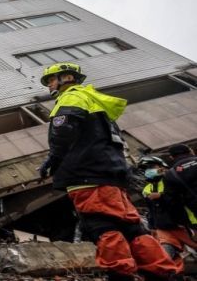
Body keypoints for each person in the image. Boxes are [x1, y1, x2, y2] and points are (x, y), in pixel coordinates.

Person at [38, 62, 178, 281]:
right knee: (132, 228)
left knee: (101, 226)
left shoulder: (71, 97)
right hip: (111, 176)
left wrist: (52, 159)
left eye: (51, 80)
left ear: (67, 78)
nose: (49, 85)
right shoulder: (95, 101)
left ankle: (120, 274)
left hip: (87, 176)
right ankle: (163, 272)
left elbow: (62, 132)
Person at [139, 155, 197, 275]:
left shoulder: (173, 179)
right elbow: (152, 210)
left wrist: (161, 196)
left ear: (163, 166)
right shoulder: (147, 189)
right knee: (166, 255)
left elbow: (182, 199)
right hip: (164, 228)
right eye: (146, 169)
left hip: (185, 224)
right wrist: (153, 227)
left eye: (152, 167)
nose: (149, 170)